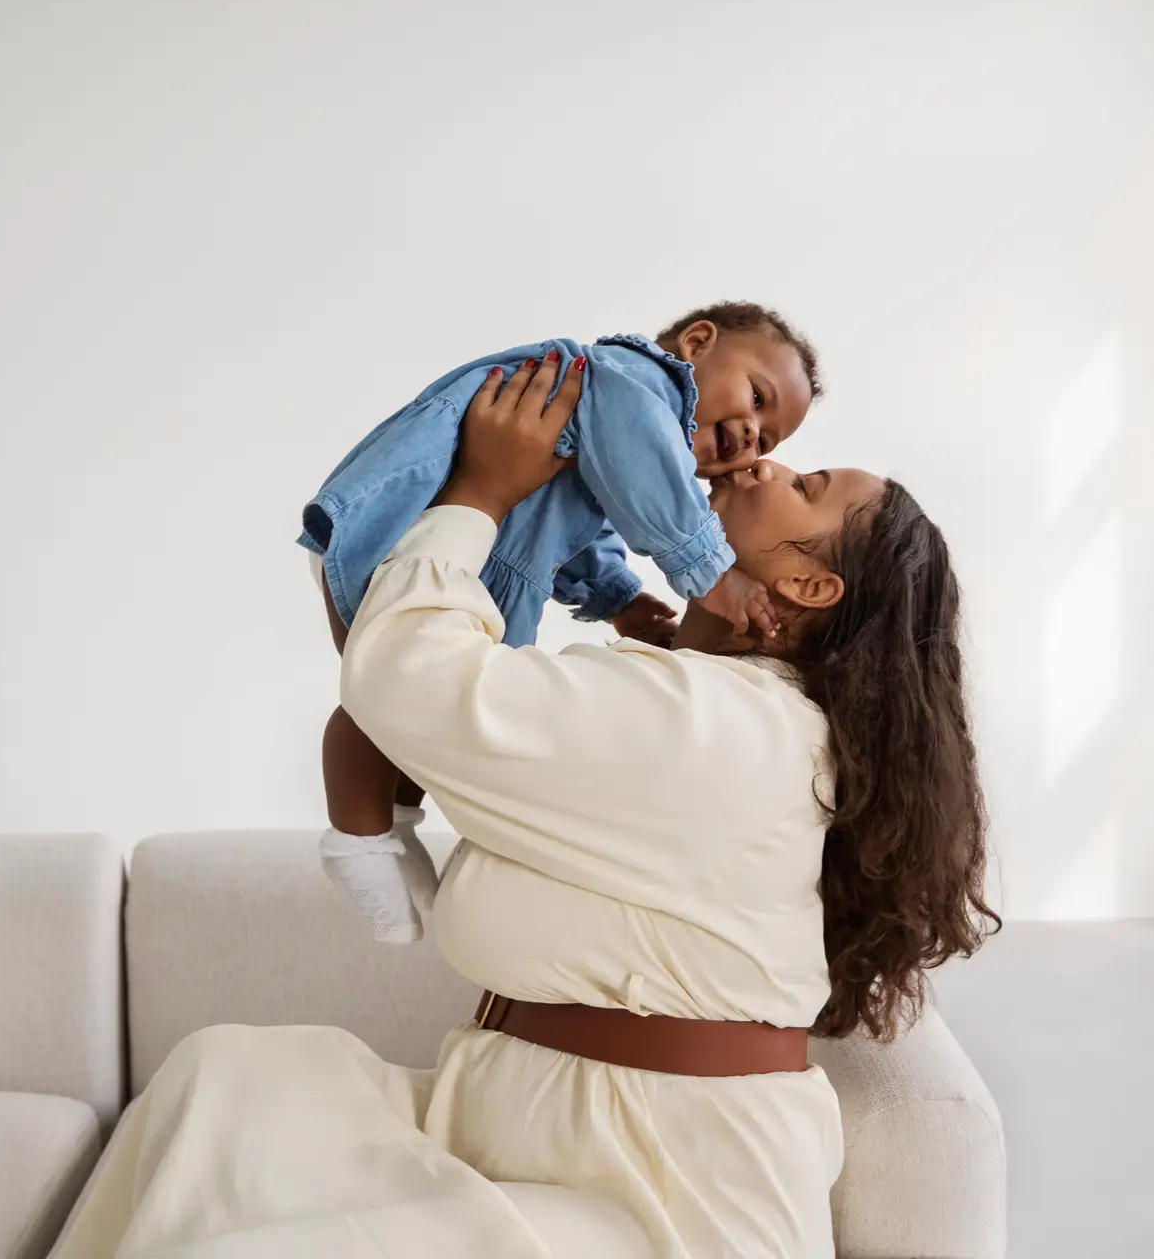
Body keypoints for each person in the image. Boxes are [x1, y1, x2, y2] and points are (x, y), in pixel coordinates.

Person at [52, 356, 997, 1259]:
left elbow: (407, 680)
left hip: (658, 1197)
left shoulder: (728, 727)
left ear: (808, 586)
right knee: (224, 1082)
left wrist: (481, 492)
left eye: (809, 482)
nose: (765, 458)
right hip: (545, 1129)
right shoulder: (699, 698)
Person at [303, 303, 821, 943]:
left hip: (474, 557)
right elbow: (643, 471)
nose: (752, 439)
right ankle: (356, 841)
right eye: (757, 397)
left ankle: (397, 823)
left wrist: (619, 598)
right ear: (696, 342)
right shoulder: (633, 382)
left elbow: (576, 529)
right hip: (409, 521)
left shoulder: (616, 445)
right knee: (382, 697)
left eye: (769, 439)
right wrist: (709, 569)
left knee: (431, 719)